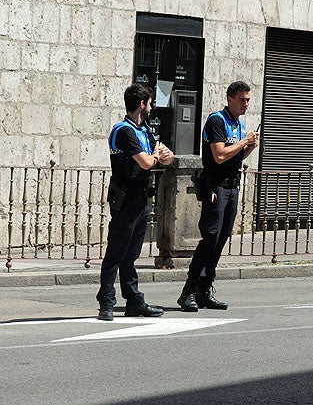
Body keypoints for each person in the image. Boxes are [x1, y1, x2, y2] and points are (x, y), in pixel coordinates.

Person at [178, 81, 259, 311]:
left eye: (248, 100)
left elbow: (235, 157)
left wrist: (250, 147)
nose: (246, 104)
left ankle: (205, 289)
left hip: (232, 187)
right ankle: (189, 291)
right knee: (210, 237)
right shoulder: (217, 121)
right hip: (216, 187)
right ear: (230, 99)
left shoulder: (238, 124)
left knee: (221, 239)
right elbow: (220, 155)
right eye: (242, 99)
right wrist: (244, 141)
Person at [97, 84, 174, 321]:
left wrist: (163, 157)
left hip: (141, 198)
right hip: (125, 198)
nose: (151, 108)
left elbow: (165, 158)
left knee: (131, 254)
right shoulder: (124, 131)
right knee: (115, 253)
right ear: (142, 104)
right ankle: (106, 302)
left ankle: (133, 300)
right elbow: (146, 162)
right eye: (149, 103)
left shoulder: (144, 130)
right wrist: (155, 157)